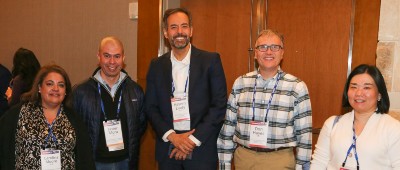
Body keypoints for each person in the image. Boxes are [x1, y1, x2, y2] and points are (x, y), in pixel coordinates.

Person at [217, 29, 312, 170]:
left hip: (279, 160)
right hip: (244, 159)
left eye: (275, 47)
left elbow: (305, 135)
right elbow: (228, 128)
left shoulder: (297, 87)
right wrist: (224, 165)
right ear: (255, 53)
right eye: (263, 47)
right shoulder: (240, 83)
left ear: (282, 53)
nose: (269, 52)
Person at [145, 8, 227, 170]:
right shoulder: (156, 65)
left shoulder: (210, 61)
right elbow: (150, 107)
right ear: (166, 33)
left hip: (201, 148)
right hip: (168, 148)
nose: (179, 31)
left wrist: (191, 141)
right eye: (173, 27)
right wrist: (173, 137)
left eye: (184, 26)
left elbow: (218, 105)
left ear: (191, 31)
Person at [0, 64, 95, 169]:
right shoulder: (18, 114)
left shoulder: (74, 119)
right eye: (50, 84)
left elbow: (85, 159)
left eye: (61, 85)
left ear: (65, 91)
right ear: (40, 88)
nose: (56, 88)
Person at [72, 36, 146, 170]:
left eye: (117, 56)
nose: (112, 62)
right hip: (94, 163)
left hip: (126, 162)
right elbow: (75, 129)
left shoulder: (135, 91)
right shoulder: (81, 91)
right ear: (98, 56)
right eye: (107, 55)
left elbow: (140, 125)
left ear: (123, 58)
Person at [311, 64, 400, 170]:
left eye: (366, 87)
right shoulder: (332, 123)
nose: (358, 93)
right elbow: (318, 163)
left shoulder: (393, 128)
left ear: (379, 94)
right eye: (353, 87)